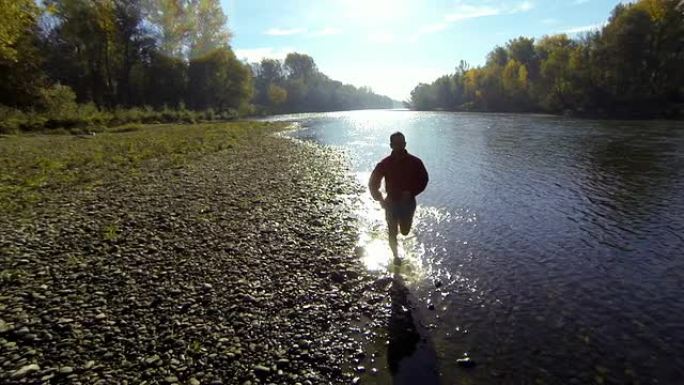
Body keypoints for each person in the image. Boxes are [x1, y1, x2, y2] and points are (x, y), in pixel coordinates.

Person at [368, 132, 429, 262]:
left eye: (402, 143)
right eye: (396, 144)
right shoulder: (385, 163)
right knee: (392, 231)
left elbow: (424, 180)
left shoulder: (416, 162)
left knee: (405, 231)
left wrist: (412, 192)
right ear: (391, 145)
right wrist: (379, 198)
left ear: (405, 144)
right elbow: (373, 182)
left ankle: (405, 231)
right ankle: (396, 256)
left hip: (408, 203)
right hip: (391, 202)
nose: (399, 146)